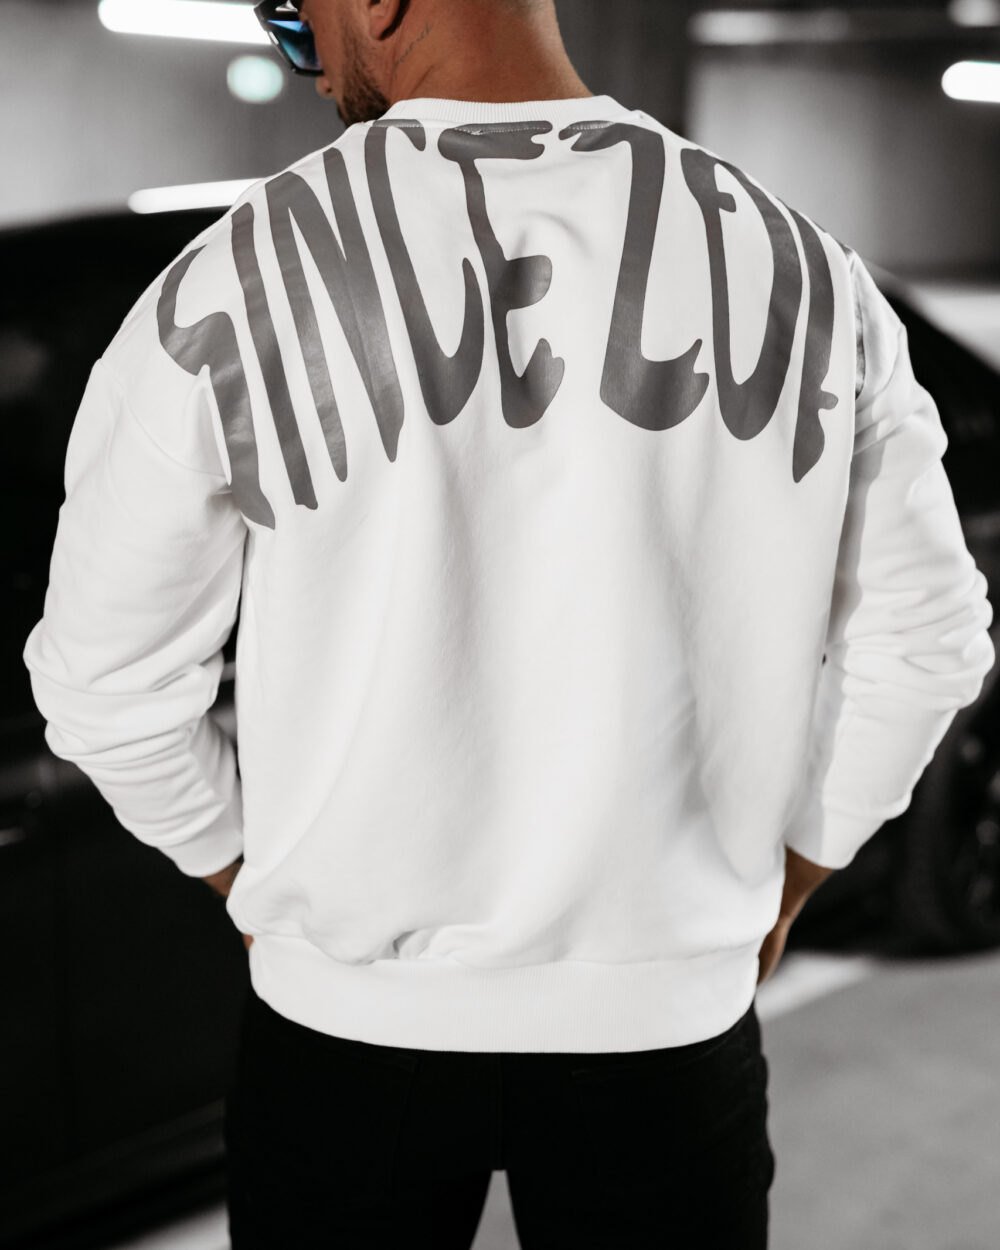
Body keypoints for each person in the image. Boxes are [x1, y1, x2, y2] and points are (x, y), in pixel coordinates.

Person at [22, 0, 995, 1245]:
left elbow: (103, 680)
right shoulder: (806, 268)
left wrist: (241, 870)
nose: (309, 66)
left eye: (297, 19)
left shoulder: (227, 279)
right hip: (662, 1032)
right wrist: (795, 867)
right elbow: (926, 641)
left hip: (347, 1042)